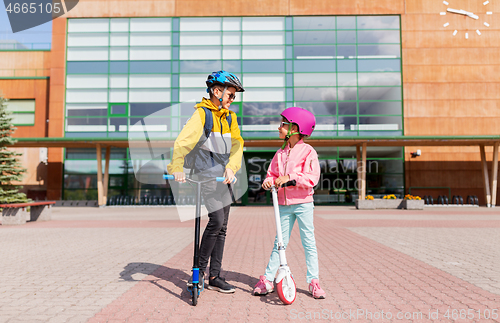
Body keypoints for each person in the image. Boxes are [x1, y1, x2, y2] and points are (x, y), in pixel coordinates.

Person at [167, 71, 244, 293]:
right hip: (205, 178)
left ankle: (215, 276)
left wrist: (232, 167)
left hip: (224, 179)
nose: (232, 99)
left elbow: (238, 145)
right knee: (217, 221)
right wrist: (177, 168)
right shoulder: (202, 115)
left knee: (223, 228)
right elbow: (182, 143)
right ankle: (198, 273)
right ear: (216, 91)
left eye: (234, 96)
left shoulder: (230, 118)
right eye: (230, 95)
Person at [253, 107, 326, 299]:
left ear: (295, 128)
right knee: (280, 243)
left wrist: (289, 177)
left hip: (303, 204)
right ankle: (268, 279)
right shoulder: (280, 153)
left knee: (308, 242)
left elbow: (312, 178)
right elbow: (271, 174)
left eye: (283, 124)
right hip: (284, 205)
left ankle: (313, 281)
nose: (279, 128)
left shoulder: (308, 151)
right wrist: (268, 181)